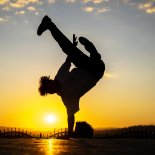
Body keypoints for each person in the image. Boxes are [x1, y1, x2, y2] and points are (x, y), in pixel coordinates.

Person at [37, 15, 105, 137]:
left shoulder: (59, 75)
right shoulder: (67, 99)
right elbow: (70, 116)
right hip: (97, 73)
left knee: (67, 49)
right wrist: (69, 134)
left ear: (51, 80)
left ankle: (49, 24)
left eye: (51, 84)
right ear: (52, 93)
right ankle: (94, 53)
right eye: (51, 90)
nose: (53, 88)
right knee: (95, 61)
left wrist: (72, 47)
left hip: (85, 65)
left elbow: (68, 58)